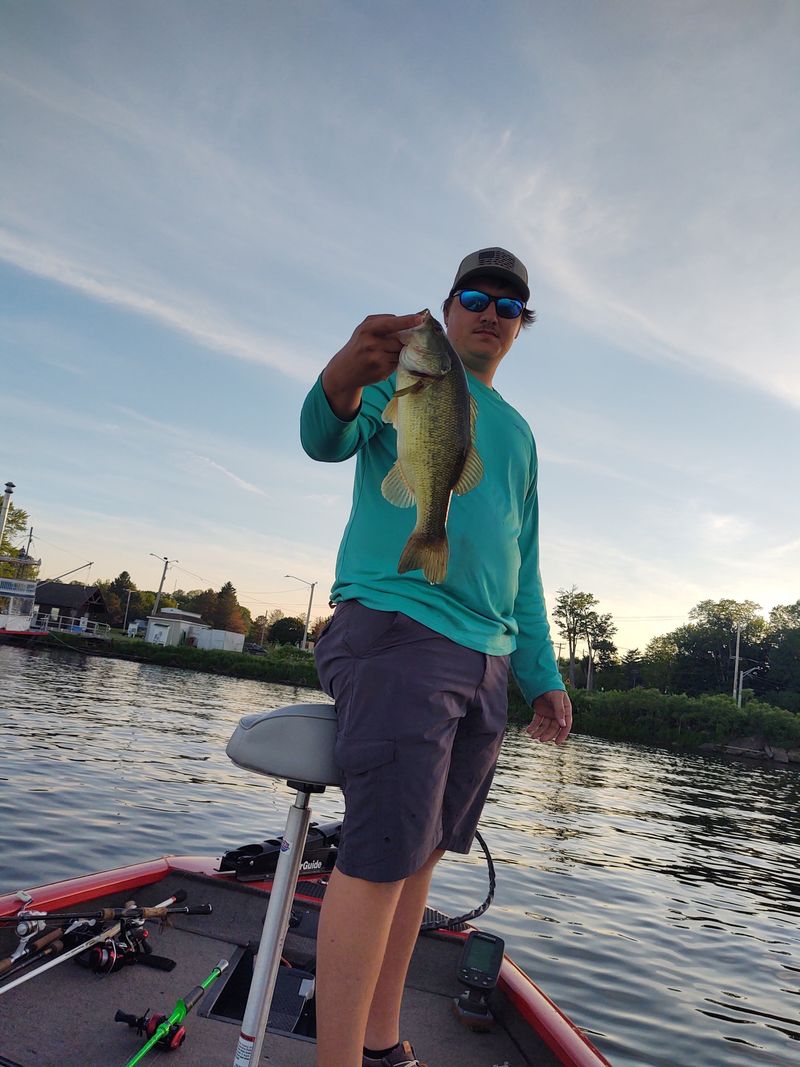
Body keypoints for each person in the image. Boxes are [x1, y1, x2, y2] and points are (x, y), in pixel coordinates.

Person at [300, 247, 572, 1067]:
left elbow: (523, 567)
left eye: (510, 305)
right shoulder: (409, 379)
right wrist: (344, 371)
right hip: (397, 631)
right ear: (448, 309)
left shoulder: (519, 435)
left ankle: (380, 1043)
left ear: (522, 326)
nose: (492, 312)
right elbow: (326, 435)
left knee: (420, 859)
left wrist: (543, 675)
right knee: (382, 854)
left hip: (487, 661)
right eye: (476, 297)